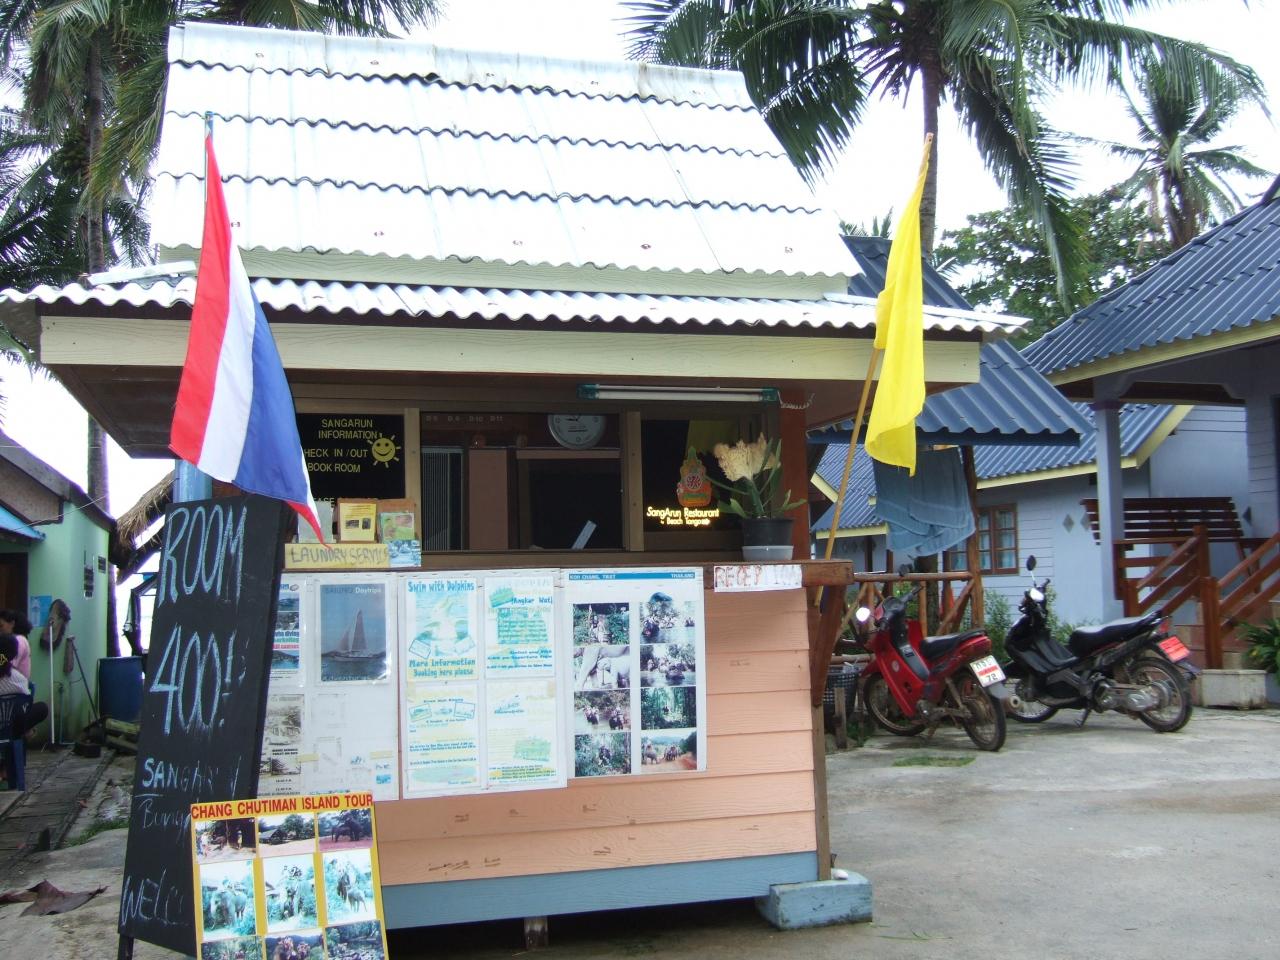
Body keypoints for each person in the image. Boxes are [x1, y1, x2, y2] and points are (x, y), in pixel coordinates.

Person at [0, 633, 47, 735]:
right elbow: (26, 707)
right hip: (11, 730)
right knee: (42, 708)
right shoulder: (19, 679)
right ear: (14, 655)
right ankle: (25, 733)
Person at [0, 609, 32, 683]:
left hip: (15, 685)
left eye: (1, 626)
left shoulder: (19, 640)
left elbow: (9, 665)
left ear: (12, 624)